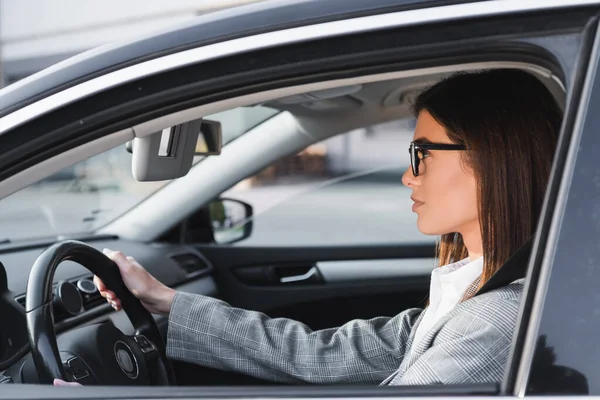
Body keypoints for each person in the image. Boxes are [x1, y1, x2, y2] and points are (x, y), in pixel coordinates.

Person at [54, 68, 562, 387]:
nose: (408, 174)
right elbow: (327, 354)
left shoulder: (496, 322)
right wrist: (168, 300)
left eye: (421, 153)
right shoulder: (472, 293)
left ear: (494, 160)